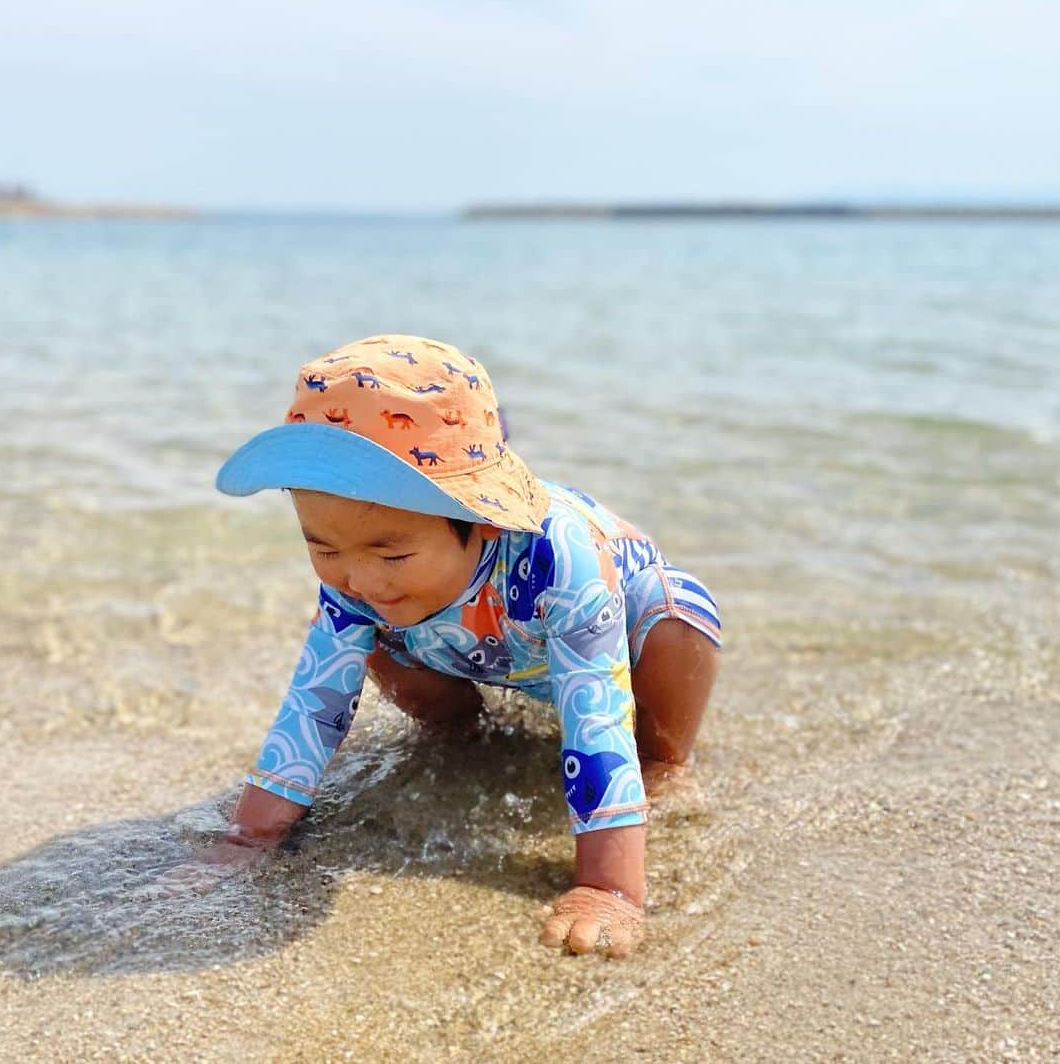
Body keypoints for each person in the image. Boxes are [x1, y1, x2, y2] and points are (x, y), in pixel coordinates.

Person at [208, 333, 719, 957]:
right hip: (465, 645)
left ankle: (664, 765)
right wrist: (246, 841)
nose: (358, 577)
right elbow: (313, 709)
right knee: (363, 634)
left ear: (478, 517)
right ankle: (459, 734)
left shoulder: (561, 558)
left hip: (610, 646)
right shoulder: (359, 580)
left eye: (391, 552)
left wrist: (608, 889)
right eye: (322, 548)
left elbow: (596, 720)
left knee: (678, 617)